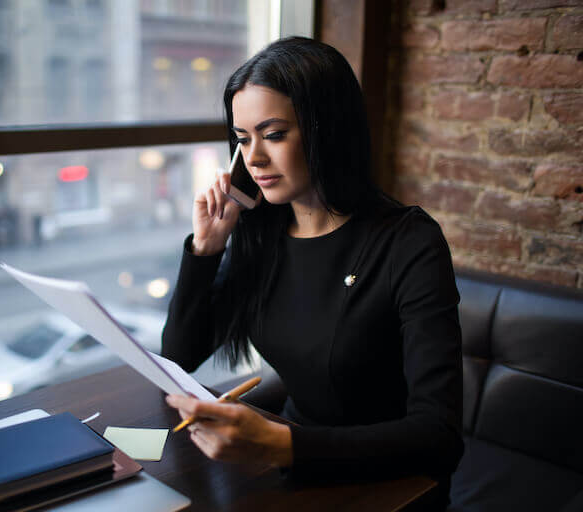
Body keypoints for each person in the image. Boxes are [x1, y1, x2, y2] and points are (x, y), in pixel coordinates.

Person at [161, 37, 464, 506]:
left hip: (393, 486)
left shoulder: (409, 242)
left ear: (327, 129)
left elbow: (439, 436)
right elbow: (180, 356)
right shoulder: (262, 236)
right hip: (293, 469)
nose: (255, 159)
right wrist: (207, 247)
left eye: (274, 134)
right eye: (243, 140)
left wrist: (279, 444)